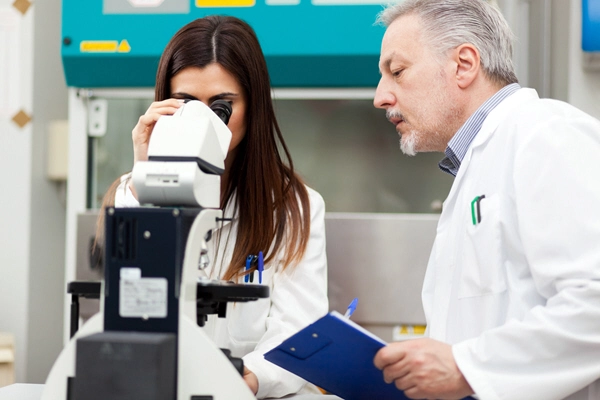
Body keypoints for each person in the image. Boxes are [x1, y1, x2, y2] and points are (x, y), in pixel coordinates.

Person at [371, 0, 600, 399]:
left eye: (397, 71)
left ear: (463, 64)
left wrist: (467, 367)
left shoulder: (546, 135)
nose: (380, 96)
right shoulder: (476, 164)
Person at [96, 15, 328, 399]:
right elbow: (127, 303)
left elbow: (297, 329)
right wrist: (148, 177)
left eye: (220, 107)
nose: (203, 122)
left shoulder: (293, 208)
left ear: (254, 107)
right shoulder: (133, 192)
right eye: (186, 105)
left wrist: (246, 379)